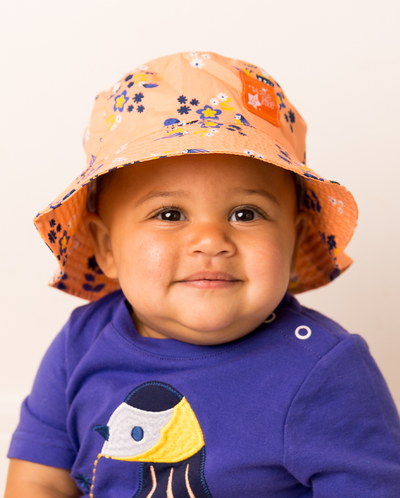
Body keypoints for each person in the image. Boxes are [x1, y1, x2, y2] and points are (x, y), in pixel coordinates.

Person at [5, 52, 400, 497]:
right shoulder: (80, 344)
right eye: (169, 213)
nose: (211, 240)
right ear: (106, 247)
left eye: (246, 213)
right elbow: (38, 481)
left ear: (295, 242)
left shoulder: (326, 369)